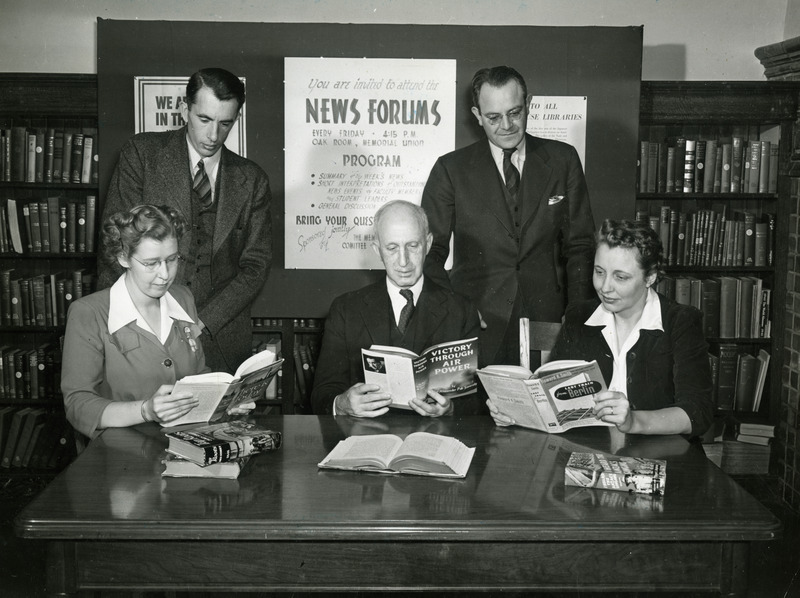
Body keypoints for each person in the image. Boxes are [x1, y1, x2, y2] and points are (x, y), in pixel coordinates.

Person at [100, 67, 272, 374]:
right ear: (184, 109)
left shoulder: (253, 179)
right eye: (204, 119)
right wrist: (160, 316)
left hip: (219, 335)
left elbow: (255, 267)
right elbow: (116, 242)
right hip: (141, 327)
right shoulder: (142, 155)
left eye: (225, 123)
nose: (213, 135)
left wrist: (202, 320)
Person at [421, 65, 596, 366]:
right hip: (476, 323)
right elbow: (429, 252)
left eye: (515, 112)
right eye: (493, 117)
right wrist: (456, 308)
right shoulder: (450, 170)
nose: (506, 125)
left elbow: (580, 246)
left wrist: (577, 312)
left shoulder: (563, 160)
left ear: (529, 104)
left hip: (546, 319)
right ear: (477, 115)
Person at [489, 219, 714, 437]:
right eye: (599, 272)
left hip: (659, 455)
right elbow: (554, 399)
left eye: (620, 277)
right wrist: (516, 411)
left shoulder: (681, 322)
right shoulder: (579, 316)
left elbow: (698, 413)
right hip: (590, 449)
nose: (605, 287)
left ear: (650, 277)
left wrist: (633, 421)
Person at [62, 205, 255, 440]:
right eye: (151, 263)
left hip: (186, 445)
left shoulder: (183, 298)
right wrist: (146, 410)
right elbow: (77, 405)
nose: (165, 274)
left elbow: (197, 377)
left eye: (172, 260)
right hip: (119, 457)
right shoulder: (89, 313)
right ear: (123, 257)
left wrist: (223, 404)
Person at [311, 200, 481, 418]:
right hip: (368, 440)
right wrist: (342, 403)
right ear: (377, 250)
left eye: (413, 246)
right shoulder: (345, 310)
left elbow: (476, 400)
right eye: (392, 248)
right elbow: (321, 396)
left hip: (434, 441)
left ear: (428, 244)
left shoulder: (461, 310)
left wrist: (451, 409)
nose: (403, 261)